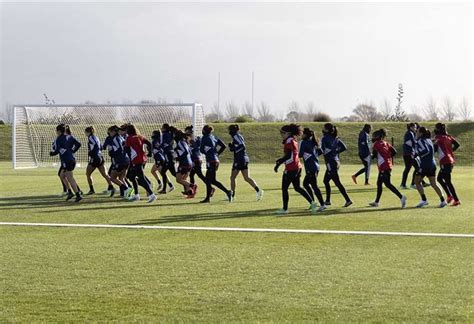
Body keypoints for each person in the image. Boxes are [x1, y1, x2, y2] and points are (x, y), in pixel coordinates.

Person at [274, 124, 317, 215]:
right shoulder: (293, 140)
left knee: (284, 188)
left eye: (283, 133)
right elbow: (291, 155)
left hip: (291, 168)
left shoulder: (289, 141)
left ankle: (285, 209)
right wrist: (280, 163)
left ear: (288, 133)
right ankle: (312, 203)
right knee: (297, 187)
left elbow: (289, 155)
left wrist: (280, 161)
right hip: (297, 167)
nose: (281, 134)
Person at [368, 129, 407, 208]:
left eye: (375, 136)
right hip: (387, 165)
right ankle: (376, 202)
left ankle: (402, 197)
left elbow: (374, 156)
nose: (373, 137)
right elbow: (394, 152)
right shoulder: (386, 143)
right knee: (379, 183)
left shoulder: (376, 144)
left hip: (383, 166)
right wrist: (387, 157)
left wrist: (371, 154)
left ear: (378, 136)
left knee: (388, 184)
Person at [413, 126, 447, 208]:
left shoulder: (421, 140)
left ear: (421, 133)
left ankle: (424, 200)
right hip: (432, 164)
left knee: (417, 182)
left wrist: (417, 154)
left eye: (417, 131)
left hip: (425, 165)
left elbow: (426, 150)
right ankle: (443, 200)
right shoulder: (428, 140)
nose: (416, 133)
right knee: (433, 183)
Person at [228, 124, 263, 201]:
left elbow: (242, 146)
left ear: (232, 130)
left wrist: (234, 148)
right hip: (243, 158)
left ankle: (232, 195)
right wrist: (232, 147)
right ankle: (258, 190)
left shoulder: (236, 136)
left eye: (229, 130)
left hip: (240, 159)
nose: (229, 132)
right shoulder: (238, 136)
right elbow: (237, 146)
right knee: (246, 178)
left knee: (233, 177)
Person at [321, 123, 352, 207]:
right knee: (326, 181)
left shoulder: (324, 138)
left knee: (337, 182)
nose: (322, 129)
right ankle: (327, 200)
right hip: (336, 162)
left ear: (327, 130)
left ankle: (348, 200)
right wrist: (335, 152)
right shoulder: (336, 138)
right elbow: (344, 147)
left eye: (324, 128)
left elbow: (323, 150)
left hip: (330, 163)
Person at [199, 125, 232, 203]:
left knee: (208, 180)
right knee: (213, 180)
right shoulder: (214, 137)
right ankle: (228, 192)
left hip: (210, 161)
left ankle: (207, 198)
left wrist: (206, 151)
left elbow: (201, 150)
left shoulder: (204, 138)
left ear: (204, 130)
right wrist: (217, 154)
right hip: (216, 160)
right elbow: (223, 146)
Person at [124, 124, 157, 203]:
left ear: (129, 131)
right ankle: (136, 195)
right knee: (131, 176)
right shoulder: (140, 136)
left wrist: (126, 151)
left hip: (136, 160)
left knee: (141, 177)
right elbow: (149, 143)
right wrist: (150, 152)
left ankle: (152, 194)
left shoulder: (129, 138)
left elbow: (127, 149)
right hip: (142, 159)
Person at [50, 124, 82, 202]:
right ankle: (70, 192)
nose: (56, 132)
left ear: (59, 131)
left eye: (56, 131)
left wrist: (52, 153)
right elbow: (78, 144)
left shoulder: (59, 139)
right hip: (72, 159)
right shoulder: (70, 136)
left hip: (67, 160)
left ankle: (78, 194)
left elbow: (57, 150)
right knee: (61, 175)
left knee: (69, 177)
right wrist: (72, 151)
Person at [433, 123, 461, 206]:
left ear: (438, 129)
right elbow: (457, 145)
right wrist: (450, 151)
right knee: (439, 179)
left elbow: (434, 149)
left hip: (446, 162)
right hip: (450, 161)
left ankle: (456, 200)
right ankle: (449, 196)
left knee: (448, 181)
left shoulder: (438, 138)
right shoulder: (449, 137)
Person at [299, 127, 326, 211]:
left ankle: (322, 204)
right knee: (306, 184)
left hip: (311, 167)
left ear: (306, 135)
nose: (301, 135)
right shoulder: (313, 142)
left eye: (302, 133)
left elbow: (300, 154)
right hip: (316, 166)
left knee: (314, 186)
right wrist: (313, 155)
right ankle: (313, 202)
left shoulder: (304, 142)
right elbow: (321, 151)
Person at [104, 125, 132, 198]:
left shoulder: (115, 139)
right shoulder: (121, 137)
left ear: (113, 131)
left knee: (112, 178)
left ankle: (127, 189)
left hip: (120, 160)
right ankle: (125, 195)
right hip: (126, 160)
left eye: (110, 132)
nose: (109, 133)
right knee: (121, 178)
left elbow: (120, 149)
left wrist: (113, 153)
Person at [84, 126, 113, 195]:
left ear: (88, 132)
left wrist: (92, 153)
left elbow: (96, 146)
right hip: (100, 157)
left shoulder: (91, 137)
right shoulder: (96, 137)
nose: (85, 133)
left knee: (88, 174)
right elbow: (101, 147)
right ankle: (111, 187)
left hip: (95, 158)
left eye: (85, 132)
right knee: (105, 174)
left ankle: (91, 190)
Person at [185, 125, 211, 196]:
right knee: (191, 175)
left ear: (189, 132)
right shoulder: (191, 139)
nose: (185, 133)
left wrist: (192, 143)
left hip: (196, 159)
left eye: (186, 131)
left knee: (200, 175)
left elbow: (197, 147)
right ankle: (192, 191)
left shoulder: (193, 139)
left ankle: (211, 188)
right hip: (196, 159)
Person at [174, 129, 196, 198]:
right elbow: (190, 152)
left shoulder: (180, 142)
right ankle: (190, 193)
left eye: (174, 134)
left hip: (184, 163)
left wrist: (179, 157)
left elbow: (186, 152)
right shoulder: (184, 141)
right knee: (184, 179)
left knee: (178, 179)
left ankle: (193, 186)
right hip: (189, 162)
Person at [158, 123, 176, 194]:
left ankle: (188, 185)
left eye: (162, 127)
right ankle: (164, 189)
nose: (161, 128)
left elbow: (162, 144)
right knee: (170, 172)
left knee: (173, 173)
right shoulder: (170, 134)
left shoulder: (164, 134)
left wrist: (158, 146)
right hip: (170, 154)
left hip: (168, 155)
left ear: (164, 128)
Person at [400, 123, 417, 189]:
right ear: (411, 127)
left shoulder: (409, 133)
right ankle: (413, 184)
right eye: (415, 127)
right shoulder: (410, 133)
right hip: (409, 154)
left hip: (407, 153)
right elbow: (413, 143)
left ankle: (403, 184)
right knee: (418, 168)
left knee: (407, 168)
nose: (415, 129)